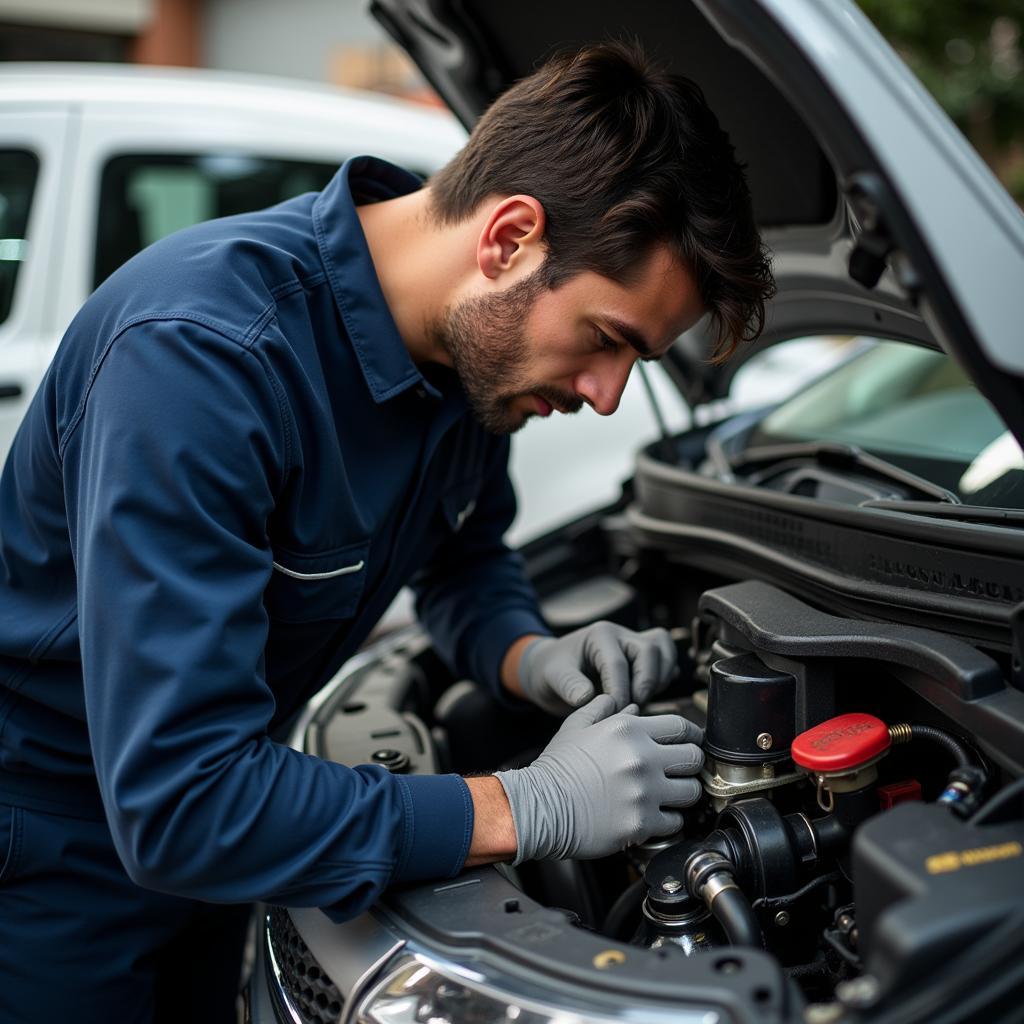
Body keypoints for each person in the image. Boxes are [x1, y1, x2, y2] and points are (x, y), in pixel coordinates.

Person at [0, 42, 772, 1023]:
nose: (605, 395)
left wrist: (530, 656)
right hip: (50, 858)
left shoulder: (469, 358)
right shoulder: (201, 361)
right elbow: (182, 802)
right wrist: (525, 806)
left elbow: (464, 562)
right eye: (607, 338)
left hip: (228, 839)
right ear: (509, 239)